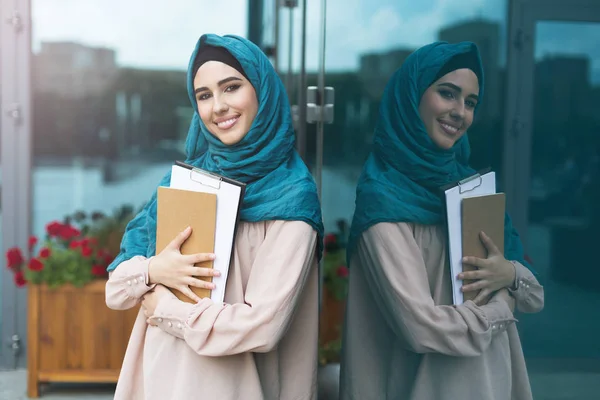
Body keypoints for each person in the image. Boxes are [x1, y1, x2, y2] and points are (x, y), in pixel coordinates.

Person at [105, 33, 323, 400]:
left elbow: (262, 327)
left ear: (262, 91)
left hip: (233, 386)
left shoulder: (291, 195)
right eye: (204, 95)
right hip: (160, 378)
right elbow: (117, 290)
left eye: (231, 87)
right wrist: (153, 271)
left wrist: (168, 310)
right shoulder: (187, 181)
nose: (218, 106)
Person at [339, 41, 544, 399]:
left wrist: (510, 274)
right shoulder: (383, 198)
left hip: (490, 382)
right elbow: (420, 327)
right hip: (422, 386)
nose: (459, 112)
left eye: (470, 102)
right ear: (413, 96)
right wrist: (501, 307)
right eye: (447, 94)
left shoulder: (471, 190)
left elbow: (534, 296)